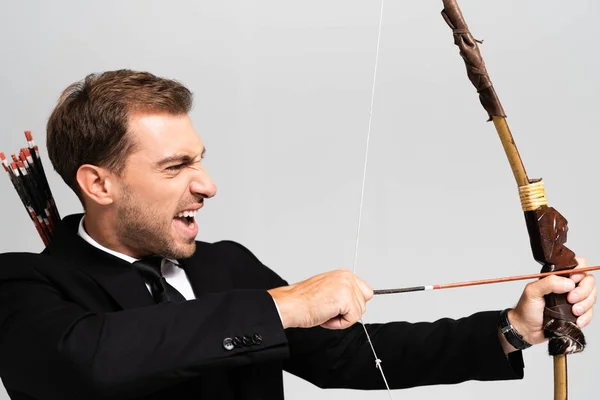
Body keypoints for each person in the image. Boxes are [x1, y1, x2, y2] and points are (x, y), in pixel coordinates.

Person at [0, 70, 596, 400]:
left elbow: (352, 357)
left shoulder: (226, 267)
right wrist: (283, 305)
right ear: (98, 185)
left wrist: (512, 329)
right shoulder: (26, 285)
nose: (207, 185)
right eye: (175, 166)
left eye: (200, 160)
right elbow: (86, 362)